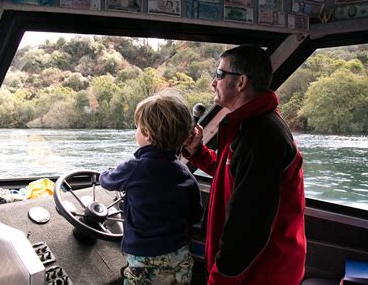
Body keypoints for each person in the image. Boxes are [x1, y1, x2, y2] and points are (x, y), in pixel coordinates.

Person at [182, 45, 306, 284]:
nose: (213, 82)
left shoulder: (261, 136)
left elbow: (248, 228)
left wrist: (220, 279)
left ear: (240, 82)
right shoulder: (248, 125)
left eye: (219, 74)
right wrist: (198, 152)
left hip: (263, 274)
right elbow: (233, 173)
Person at [99, 89, 204, 284]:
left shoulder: (133, 168)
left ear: (146, 133)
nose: (135, 132)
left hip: (143, 262)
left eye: (137, 127)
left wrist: (105, 172)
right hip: (180, 259)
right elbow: (195, 214)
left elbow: (106, 180)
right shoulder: (185, 173)